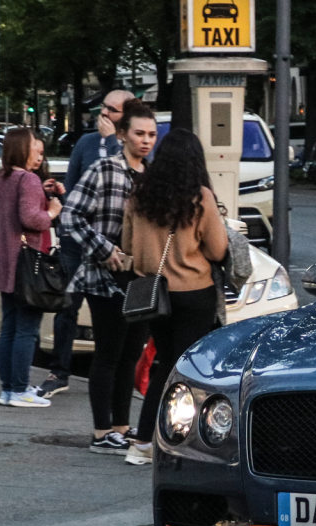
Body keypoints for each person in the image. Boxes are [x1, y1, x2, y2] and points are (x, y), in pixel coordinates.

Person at [122, 129, 229, 466]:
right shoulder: (200, 198)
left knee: (164, 365)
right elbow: (218, 249)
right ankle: (176, 443)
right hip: (194, 294)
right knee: (192, 372)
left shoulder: (139, 194)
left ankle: (144, 441)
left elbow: (127, 246)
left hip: (155, 296)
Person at [60, 98, 158, 454]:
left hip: (142, 276)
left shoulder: (152, 176)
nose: (146, 140)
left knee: (132, 352)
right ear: (122, 134)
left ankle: (121, 425)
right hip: (106, 276)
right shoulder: (104, 169)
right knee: (108, 353)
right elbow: (70, 215)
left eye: (151, 134)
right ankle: (101, 432)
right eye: (139, 133)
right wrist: (104, 250)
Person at [37, 89, 134, 399]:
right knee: (67, 307)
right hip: (79, 241)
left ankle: (114, 376)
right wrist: (60, 196)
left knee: (114, 313)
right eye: (102, 107)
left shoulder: (129, 146)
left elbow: (119, 184)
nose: (103, 114)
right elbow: (76, 191)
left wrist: (109, 143)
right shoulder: (86, 142)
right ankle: (59, 371)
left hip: (111, 245)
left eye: (111, 110)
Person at [0, 128, 63, 408]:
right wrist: (51, 212)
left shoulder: (2, 178)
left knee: (9, 328)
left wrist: (1, 244)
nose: (38, 154)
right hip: (28, 265)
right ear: (22, 149)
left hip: (4, 263)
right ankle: (20, 389)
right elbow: (32, 218)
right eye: (34, 148)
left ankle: (7, 389)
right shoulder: (26, 179)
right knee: (27, 329)